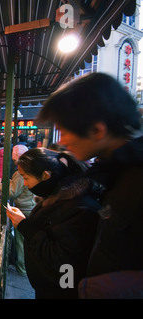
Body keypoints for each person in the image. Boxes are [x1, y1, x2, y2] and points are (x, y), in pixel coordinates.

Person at [37, 72, 143, 298]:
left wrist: (125, 286)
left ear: (97, 130)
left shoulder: (135, 181)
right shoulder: (111, 173)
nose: (61, 141)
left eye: (65, 131)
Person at [5, 148, 101, 298]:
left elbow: (65, 264)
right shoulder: (55, 197)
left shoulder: (79, 209)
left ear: (45, 176)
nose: (25, 183)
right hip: (47, 286)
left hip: (60, 291)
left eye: (26, 178)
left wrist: (25, 226)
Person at [0, 144, 35, 275]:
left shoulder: (22, 173)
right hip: (28, 205)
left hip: (25, 208)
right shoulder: (26, 170)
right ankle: (22, 266)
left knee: (21, 241)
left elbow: (13, 192)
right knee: (22, 240)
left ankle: (22, 268)